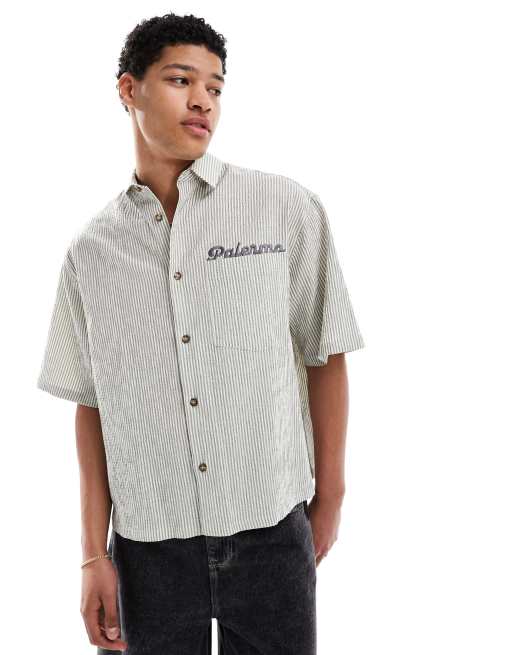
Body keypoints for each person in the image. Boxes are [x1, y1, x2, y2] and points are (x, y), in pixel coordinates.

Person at [36, 12, 365, 655]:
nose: (202, 101)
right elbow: (92, 404)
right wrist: (92, 554)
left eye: (215, 87)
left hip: (272, 534)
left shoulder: (283, 208)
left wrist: (330, 497)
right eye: (180, 80)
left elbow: (325, 353)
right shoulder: (91, 251)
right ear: (128, 89)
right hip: (148, 552)